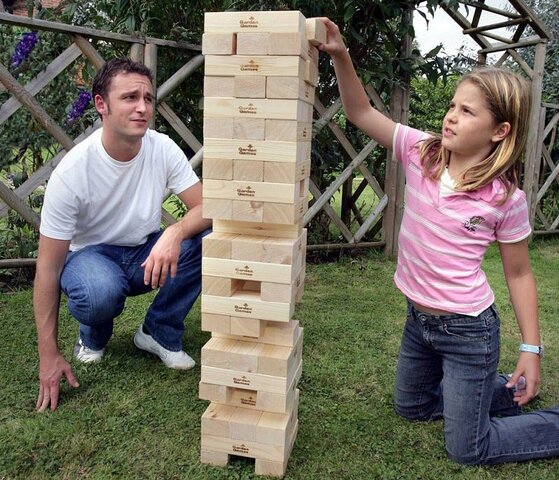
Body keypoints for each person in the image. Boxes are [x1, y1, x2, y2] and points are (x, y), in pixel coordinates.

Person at [318, 18, 559, 465]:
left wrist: (531, 349)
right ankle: (490, 389)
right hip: (419, 323)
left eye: (468, 112)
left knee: (468, 448)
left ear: (499, 131)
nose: (451, 115)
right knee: (411, 408)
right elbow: (360, 112)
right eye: (453, 105)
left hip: (468, 330)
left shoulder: (505, 198)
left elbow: (520, 274)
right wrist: (340, 56)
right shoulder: (421, 152)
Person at [33, 57, 212, 412]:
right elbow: (48, 270)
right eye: (130, 97)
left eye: (148, 98)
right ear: (101, 104)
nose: (142, 107)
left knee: (209, 241)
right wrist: (47, 353)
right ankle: (93, 337)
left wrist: (174, 232)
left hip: (142, 252)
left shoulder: (161, 147)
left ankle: (157, 331)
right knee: (100, 291)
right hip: (90, 258)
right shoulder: (72, 173)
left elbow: (208, 207)